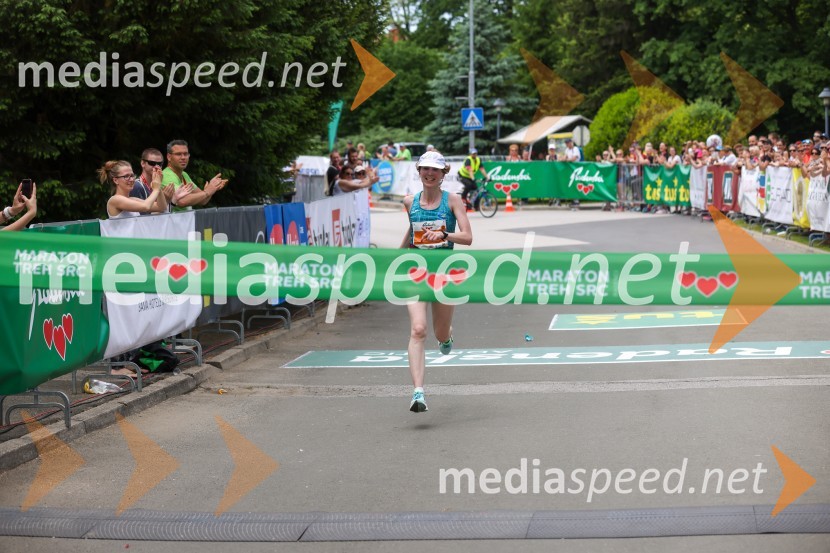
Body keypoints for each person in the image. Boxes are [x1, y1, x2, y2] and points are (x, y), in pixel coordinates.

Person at [400, 151, 472, 412]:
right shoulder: (409, 202)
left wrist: (444, 235)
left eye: (435, 170)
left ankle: (446, 336)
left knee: (440, 333)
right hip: (415, 273)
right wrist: (392, 260)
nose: (429, 174)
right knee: (418, 329)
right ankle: (418, 393)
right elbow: (412, 231)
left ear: (443, 174)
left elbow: (467, 237)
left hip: (443, 274)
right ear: (419, 171)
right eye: (425, 169)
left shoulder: (453, 200)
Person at [161, 140, 226, 210]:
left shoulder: (184, 174)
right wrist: (207, 191)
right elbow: (181, 201)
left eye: (185, 154)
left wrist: (213, 188)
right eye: (178, 154)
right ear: (169, 157)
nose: (183, 157)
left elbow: (203, 200)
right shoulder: (166, 175)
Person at [131, 148, 192, 213]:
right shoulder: (136, 186)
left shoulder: (157, 186)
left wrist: (174, 199)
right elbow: (144, 216)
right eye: (152, 163)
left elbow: (160, 214)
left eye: (159, 164)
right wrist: (165, 199)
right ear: (143, 163)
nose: (156, 167)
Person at [100, 160, 168, 218]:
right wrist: (156, 189)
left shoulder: (132, 199)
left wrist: (158, 185)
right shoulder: (115, 200)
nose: (132, 179)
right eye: (126, 176)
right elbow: (145, 206)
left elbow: (161, 207)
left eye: (132, 175)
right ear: (115, 180)